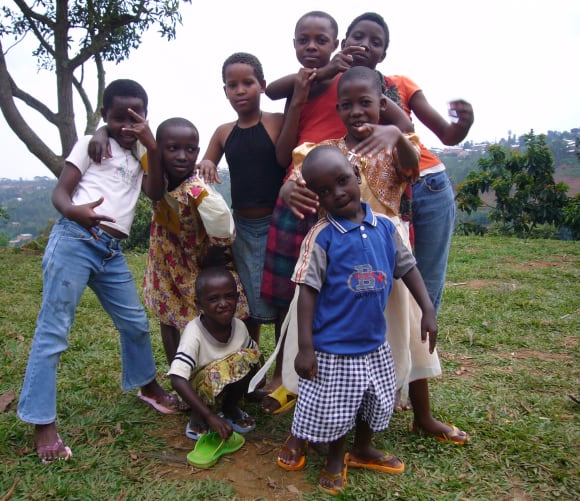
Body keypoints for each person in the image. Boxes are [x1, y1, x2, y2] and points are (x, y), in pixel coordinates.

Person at [17, 79, 183, 464]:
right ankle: (42, 422)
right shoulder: (94, 144)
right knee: (53, 331)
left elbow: (155, 193)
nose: (127, 125)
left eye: (135, 117)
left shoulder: (143, 151)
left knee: (135, 323)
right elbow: (61, 192)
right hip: (75, 239)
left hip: (111, 251)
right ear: (105, 116)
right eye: (117, 118)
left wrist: (153, 145)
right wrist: (75, 210)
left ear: (145, 116)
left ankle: (147, 386)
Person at [257, 10, 414, 414]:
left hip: (347, 184)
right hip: (305, 178)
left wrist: (394, 130)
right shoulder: (315, 79)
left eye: (320, 40)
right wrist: (321, 73)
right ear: (344, 44)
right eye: (303, 40)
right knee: (294, 286)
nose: (312, 47)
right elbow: (271, 90)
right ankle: (286, 375)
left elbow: (402, 127)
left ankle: (375, 375)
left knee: (348, 288)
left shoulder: (372, 89)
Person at [276, 65, 424, 470]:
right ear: (338, 108)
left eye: (366, 103)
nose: (357, 111)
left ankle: (366, 435)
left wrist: (396, 130)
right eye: (347, 105)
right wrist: (290, 186)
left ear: (384, 103)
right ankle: (300, 431)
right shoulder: (327, 149)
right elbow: (295, 177)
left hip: (382, 251)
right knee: (314, 349)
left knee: (389, 342)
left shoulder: (398, 142)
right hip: (335, 254)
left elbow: (414, 167)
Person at [342, 12, 473, 442]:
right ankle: (375, 392)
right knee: (364, 312)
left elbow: (421, 134)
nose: (364, 43)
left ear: (385, 51)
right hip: (360, 208)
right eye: (355, 36)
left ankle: (412, 394)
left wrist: (461, 125)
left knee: (419, 299)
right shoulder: (334, 83)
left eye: (374, 40)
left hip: (419, 184)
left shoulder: (396, 87)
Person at [287, 145, 437, 495]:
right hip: (334, 349)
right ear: (316, 196)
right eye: (324, 190)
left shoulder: (384, 227)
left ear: (357, 176)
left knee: (375, 398)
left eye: (342, 181)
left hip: (374, 342)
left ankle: (363, 447)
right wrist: (305, 347)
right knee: (340, 407)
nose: (337, 193)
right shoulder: (321, 236)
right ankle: (336, 457)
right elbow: (306, 292)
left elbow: (409, 268)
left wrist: (427, 310)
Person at [142, 117, 249, 366]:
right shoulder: (157, 176)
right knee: (167, 314)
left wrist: (214, 257)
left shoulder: (198, 188)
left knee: (222, 309)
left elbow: (222, 226)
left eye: (190, 150)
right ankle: (178, 371)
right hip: (166, 258)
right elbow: (154, 191)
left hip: (201, 258)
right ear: (158, 149)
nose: (182, 156)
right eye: (172, 148)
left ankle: (229, 367)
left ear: (198, 152)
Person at [198, 52, 285, 347]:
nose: (240, 90)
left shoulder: (276, 121)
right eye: (232, 85)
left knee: (281, 297)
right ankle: (250, 363)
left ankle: (280, 371)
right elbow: (205, 164)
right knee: (248, 298)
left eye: (247, 82)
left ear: (262, 85)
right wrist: (208, 163)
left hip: (277, 223)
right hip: (242, 229)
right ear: (225, 92)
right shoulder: (224, 132)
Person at [169, 267, 260, 440]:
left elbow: (253, 356)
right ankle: (199, 415)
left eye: (229, 296)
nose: (223, 303)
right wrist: (209, 416)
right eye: (213, 299)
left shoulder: (240, 327)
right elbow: (177, 379)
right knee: (217, 373)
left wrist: (257, 377)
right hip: (199, 391)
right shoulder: (194, 333)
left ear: (237, 298)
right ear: (199, 304)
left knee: (249, 357)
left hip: (225, 388)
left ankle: (229, 408)